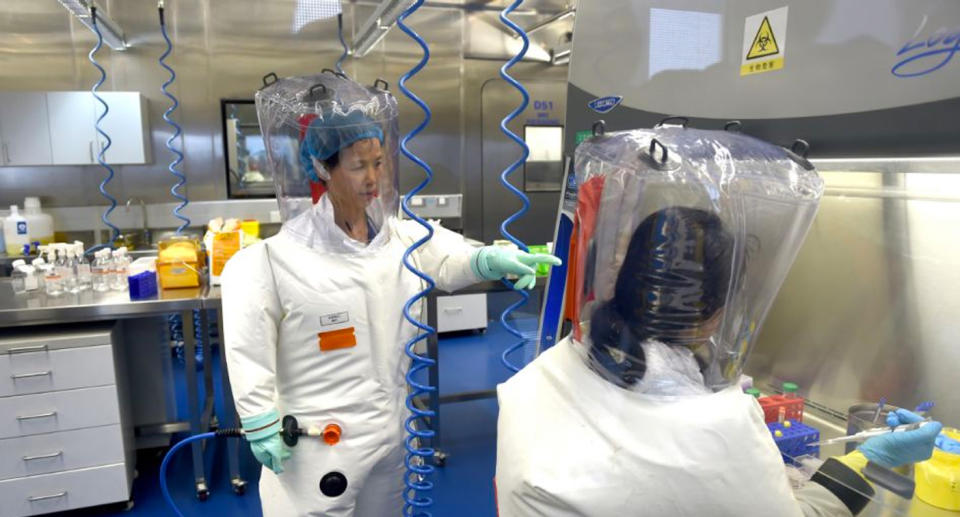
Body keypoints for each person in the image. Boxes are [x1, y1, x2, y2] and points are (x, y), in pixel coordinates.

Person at [495, 127, 942, 517]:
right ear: (715, 313)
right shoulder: (713, 428)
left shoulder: (550, 371)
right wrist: (871, 460)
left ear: (628, 278)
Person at [221, 73, 558, 517]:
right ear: (323, 168)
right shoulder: (272, 259)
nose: (373, 178)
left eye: (379, 162)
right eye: (358, 166)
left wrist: (486, 261)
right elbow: (248, 349)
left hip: (393, 434)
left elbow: (448, 259)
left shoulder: (401, 238)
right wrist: (259, 420)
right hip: (319, 444)